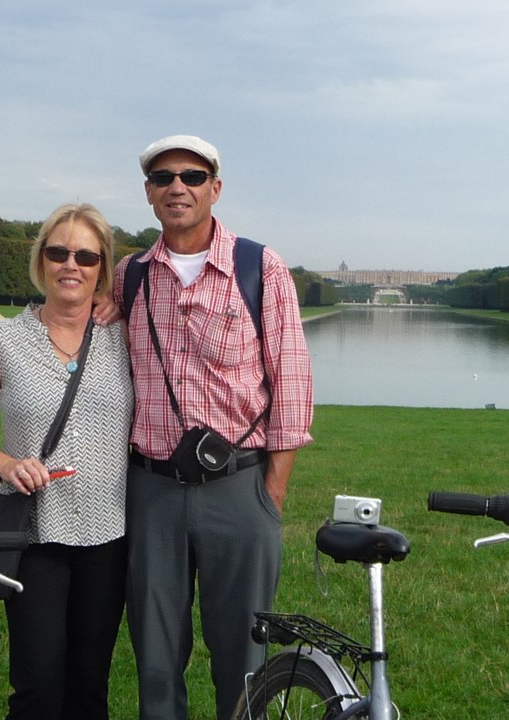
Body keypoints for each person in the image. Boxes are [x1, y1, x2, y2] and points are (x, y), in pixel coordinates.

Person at [117, 135, 314, 720]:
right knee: (155, 655)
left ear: (215, 189)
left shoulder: (259, 267)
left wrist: (270, 494)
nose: (178, 186)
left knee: (244, 654)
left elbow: (293, 386)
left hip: (239, 487)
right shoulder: (128, 277)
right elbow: (69, 324)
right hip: (151, 490)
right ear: (150, 194)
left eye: (192, 176)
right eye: (163, 177)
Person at [0, 203, 133, 720]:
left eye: (85, 255)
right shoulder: (2, 339)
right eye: (58, 252)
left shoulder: (124, 338)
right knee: (36, 685)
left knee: (88, 686)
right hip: (35, 536)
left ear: (102, 267)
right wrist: (7, 464)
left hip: (108, 535)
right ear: (41, 261)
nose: (70, 265)